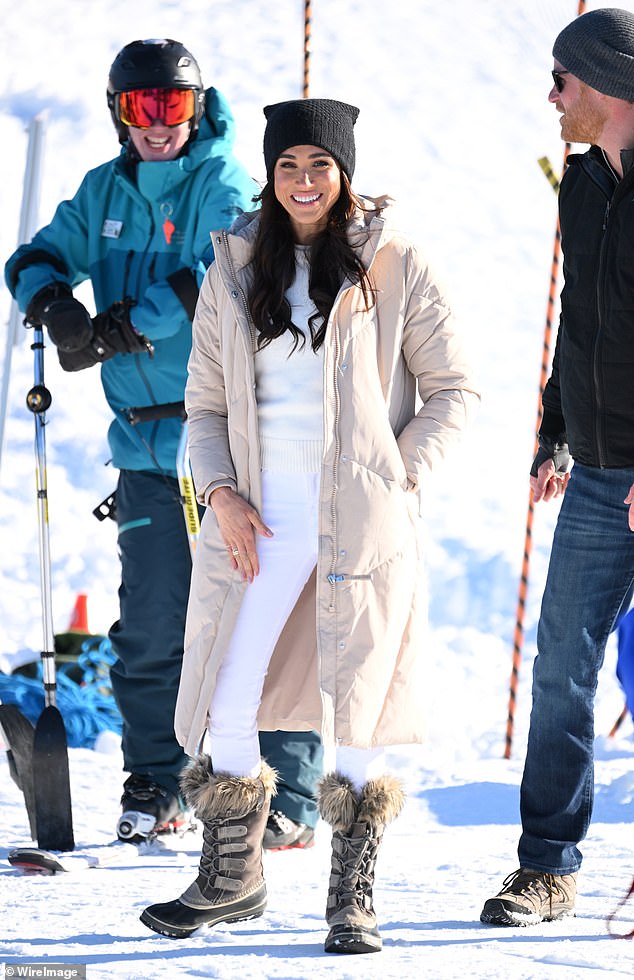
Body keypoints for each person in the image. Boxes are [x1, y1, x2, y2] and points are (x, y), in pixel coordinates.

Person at [140, 97, 479, 953]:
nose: (302, 181)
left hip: (361, 516)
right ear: (269, 174)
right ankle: (234, 877)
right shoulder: (233, 268)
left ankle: (350, 898)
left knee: (358, 701)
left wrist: (397, 477)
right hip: (260, 514)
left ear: (345, 173)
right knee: (226, 689)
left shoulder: (396, 265)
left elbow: (453, 392)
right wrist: (220, 494)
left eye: (319, 166)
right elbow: (206, 404)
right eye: (288, 165)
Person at [4, 39, 323, 848]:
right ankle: (157, 780)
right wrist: (54, 302)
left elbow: (218, 270)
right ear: (119, 111)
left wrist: (122, 329)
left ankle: (285, 790)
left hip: (226, 441)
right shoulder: (104, 190)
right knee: (151, 625)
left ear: (196, 107)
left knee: (262, 611)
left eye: (171, 106)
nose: (156, 124)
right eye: (141, 107)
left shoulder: (219, 181)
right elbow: (36, 255)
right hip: (146, 451)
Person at [481, 7, 634, 928]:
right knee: (562, 668)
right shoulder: (580, 185)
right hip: (599, 476)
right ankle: (548, 866)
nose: (552, 99)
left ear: (608, 81)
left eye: (562, 81)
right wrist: (556, 431)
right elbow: (581, 321)